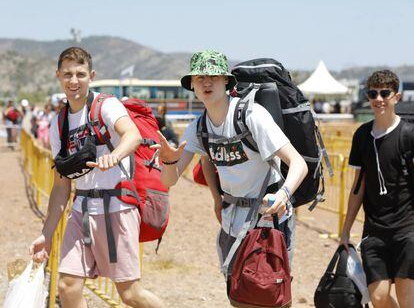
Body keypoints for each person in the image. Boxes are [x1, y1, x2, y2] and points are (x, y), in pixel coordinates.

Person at [29, 47, 164, 308]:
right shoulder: (59, 123)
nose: (73, 80)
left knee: (130, 294)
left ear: (91, 76)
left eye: (80, 74)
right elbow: (60, 186)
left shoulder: (106, 105)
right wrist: (45, 234)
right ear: (58, 76)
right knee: (67, 287)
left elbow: (132, 135)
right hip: (81, 210)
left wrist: (115, 156)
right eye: (67, 74)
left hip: (116, 207)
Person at [154, 50, 308, 277]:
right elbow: (170, 180)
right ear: (192, 86)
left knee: (270, 290)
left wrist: (283, 196)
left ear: (226, 81)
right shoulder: (199, 127)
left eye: (213, 77)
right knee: (238, 292)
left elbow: (298, 163)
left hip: (269, 216)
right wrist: (168, 160)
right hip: (232, 218)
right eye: (200, 78)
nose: (206, 83)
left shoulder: (251, 115)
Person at [340, 70, 414, 308]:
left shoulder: (409, 134)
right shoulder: (362, 135)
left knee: (406, 296)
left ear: (397, 97)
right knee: (379, 297)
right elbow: (357, 187)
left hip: (408, 230)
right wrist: (345, 230)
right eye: (373, 93)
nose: (378, 98)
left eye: (385, 93)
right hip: (374, 231)